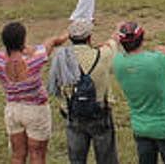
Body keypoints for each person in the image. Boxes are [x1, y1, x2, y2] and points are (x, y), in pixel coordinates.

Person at [112, 22, 165, 164]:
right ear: (142, 38)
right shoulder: (157, 59)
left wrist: (118, 30)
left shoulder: (117, 62)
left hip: (140, 128)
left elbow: (114, 43)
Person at [0, 22, 69, 164]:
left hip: (13, 109)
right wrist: (65, 35)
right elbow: (50, 43)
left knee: (17, 154)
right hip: (35, 109)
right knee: (37, 155)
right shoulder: (35, 58)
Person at [48, 19, 121, 164]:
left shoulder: (61, 57)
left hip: (73, 113)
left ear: (70, 37)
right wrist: (117, 30)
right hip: (100, 112)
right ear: (89, 37)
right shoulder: (103, 55)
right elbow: (113, 43)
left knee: (76, 159)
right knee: (107, 158)